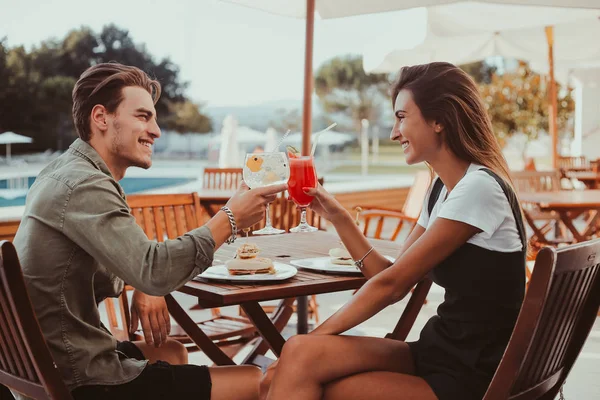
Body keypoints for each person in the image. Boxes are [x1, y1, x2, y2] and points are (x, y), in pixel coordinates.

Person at [12, 62, 285, 400]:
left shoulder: (63, 172)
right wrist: (229, 218)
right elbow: (153, 270)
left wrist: (143, 280)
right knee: (259, 381)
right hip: (79, 378)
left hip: (45, 368)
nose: (156, 130)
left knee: (170, 351)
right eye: (143, 117)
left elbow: (136, 263)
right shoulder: (84, 185)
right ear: (101, 118)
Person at [261, 62, 527, 400]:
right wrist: (339, 217)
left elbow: (391, 286)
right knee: (299, 352)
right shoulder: (442, 190)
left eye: (402, 117)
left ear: (439, 120)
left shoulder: (478, 189)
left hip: (472, 376)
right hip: (440, 351)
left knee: (309, 373)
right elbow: (388, 275)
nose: (393, 133)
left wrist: (311, 343)